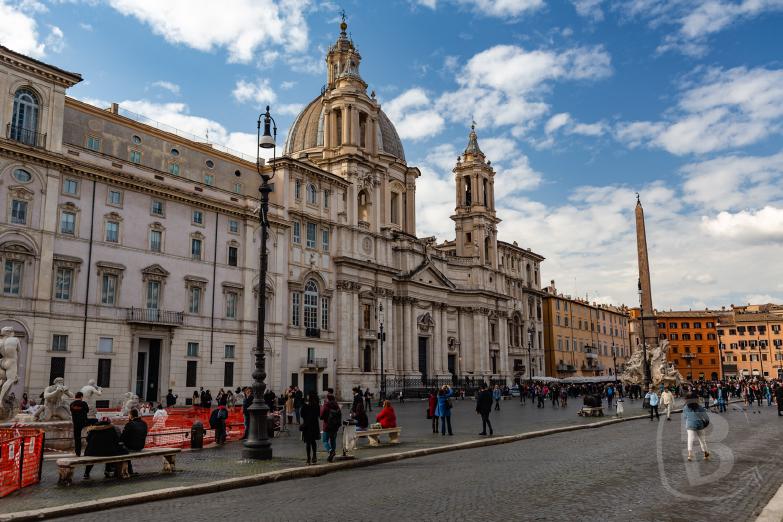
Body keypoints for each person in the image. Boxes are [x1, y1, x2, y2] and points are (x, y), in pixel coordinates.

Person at [683, 392, 710, 461]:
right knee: (702, 440)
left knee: (690, 439)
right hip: (699, 424)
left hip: (690, 424)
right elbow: (706, 418)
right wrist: (705, 424)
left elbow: (685, 417)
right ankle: (705, 452)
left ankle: (689, 453)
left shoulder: (685, 407)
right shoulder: (699, 407)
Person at [120, 409, 148, 475]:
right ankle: (129, 470)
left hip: (131, 447)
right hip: (141, 446)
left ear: (131, 415)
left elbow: (123, 437)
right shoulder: (144, 423)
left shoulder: (129, 424)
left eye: (129, 415)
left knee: (121, 450)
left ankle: (124, 471)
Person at [300, 390, 321, 465]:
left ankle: (308, 458)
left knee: (308, 442)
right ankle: (314, 456)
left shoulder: (306, 406)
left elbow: (302, 414)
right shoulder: (317, 405)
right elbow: (319, 415)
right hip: (314, 425)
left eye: (308, 395)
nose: (307, 396)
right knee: (313, 441)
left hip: (307, 426)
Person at [320, 393, 341, 462]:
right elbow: (340, 415)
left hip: (327, 426)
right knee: (333, 440)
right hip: (335, 426)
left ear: (327, 398)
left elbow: (321, 416)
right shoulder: (337, 405)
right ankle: (332, 453)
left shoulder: (326, 405)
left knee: (325, 441)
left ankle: (330, 451)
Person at [69, 391, 90, 456]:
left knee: (77, 438)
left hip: (76, 423)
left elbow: (72, 411)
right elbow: (87, 411)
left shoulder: (72, 404)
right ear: (81, 397)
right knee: (95, 421)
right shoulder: (84, 403)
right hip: (84, 422)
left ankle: (78, 453)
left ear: (75, 397)